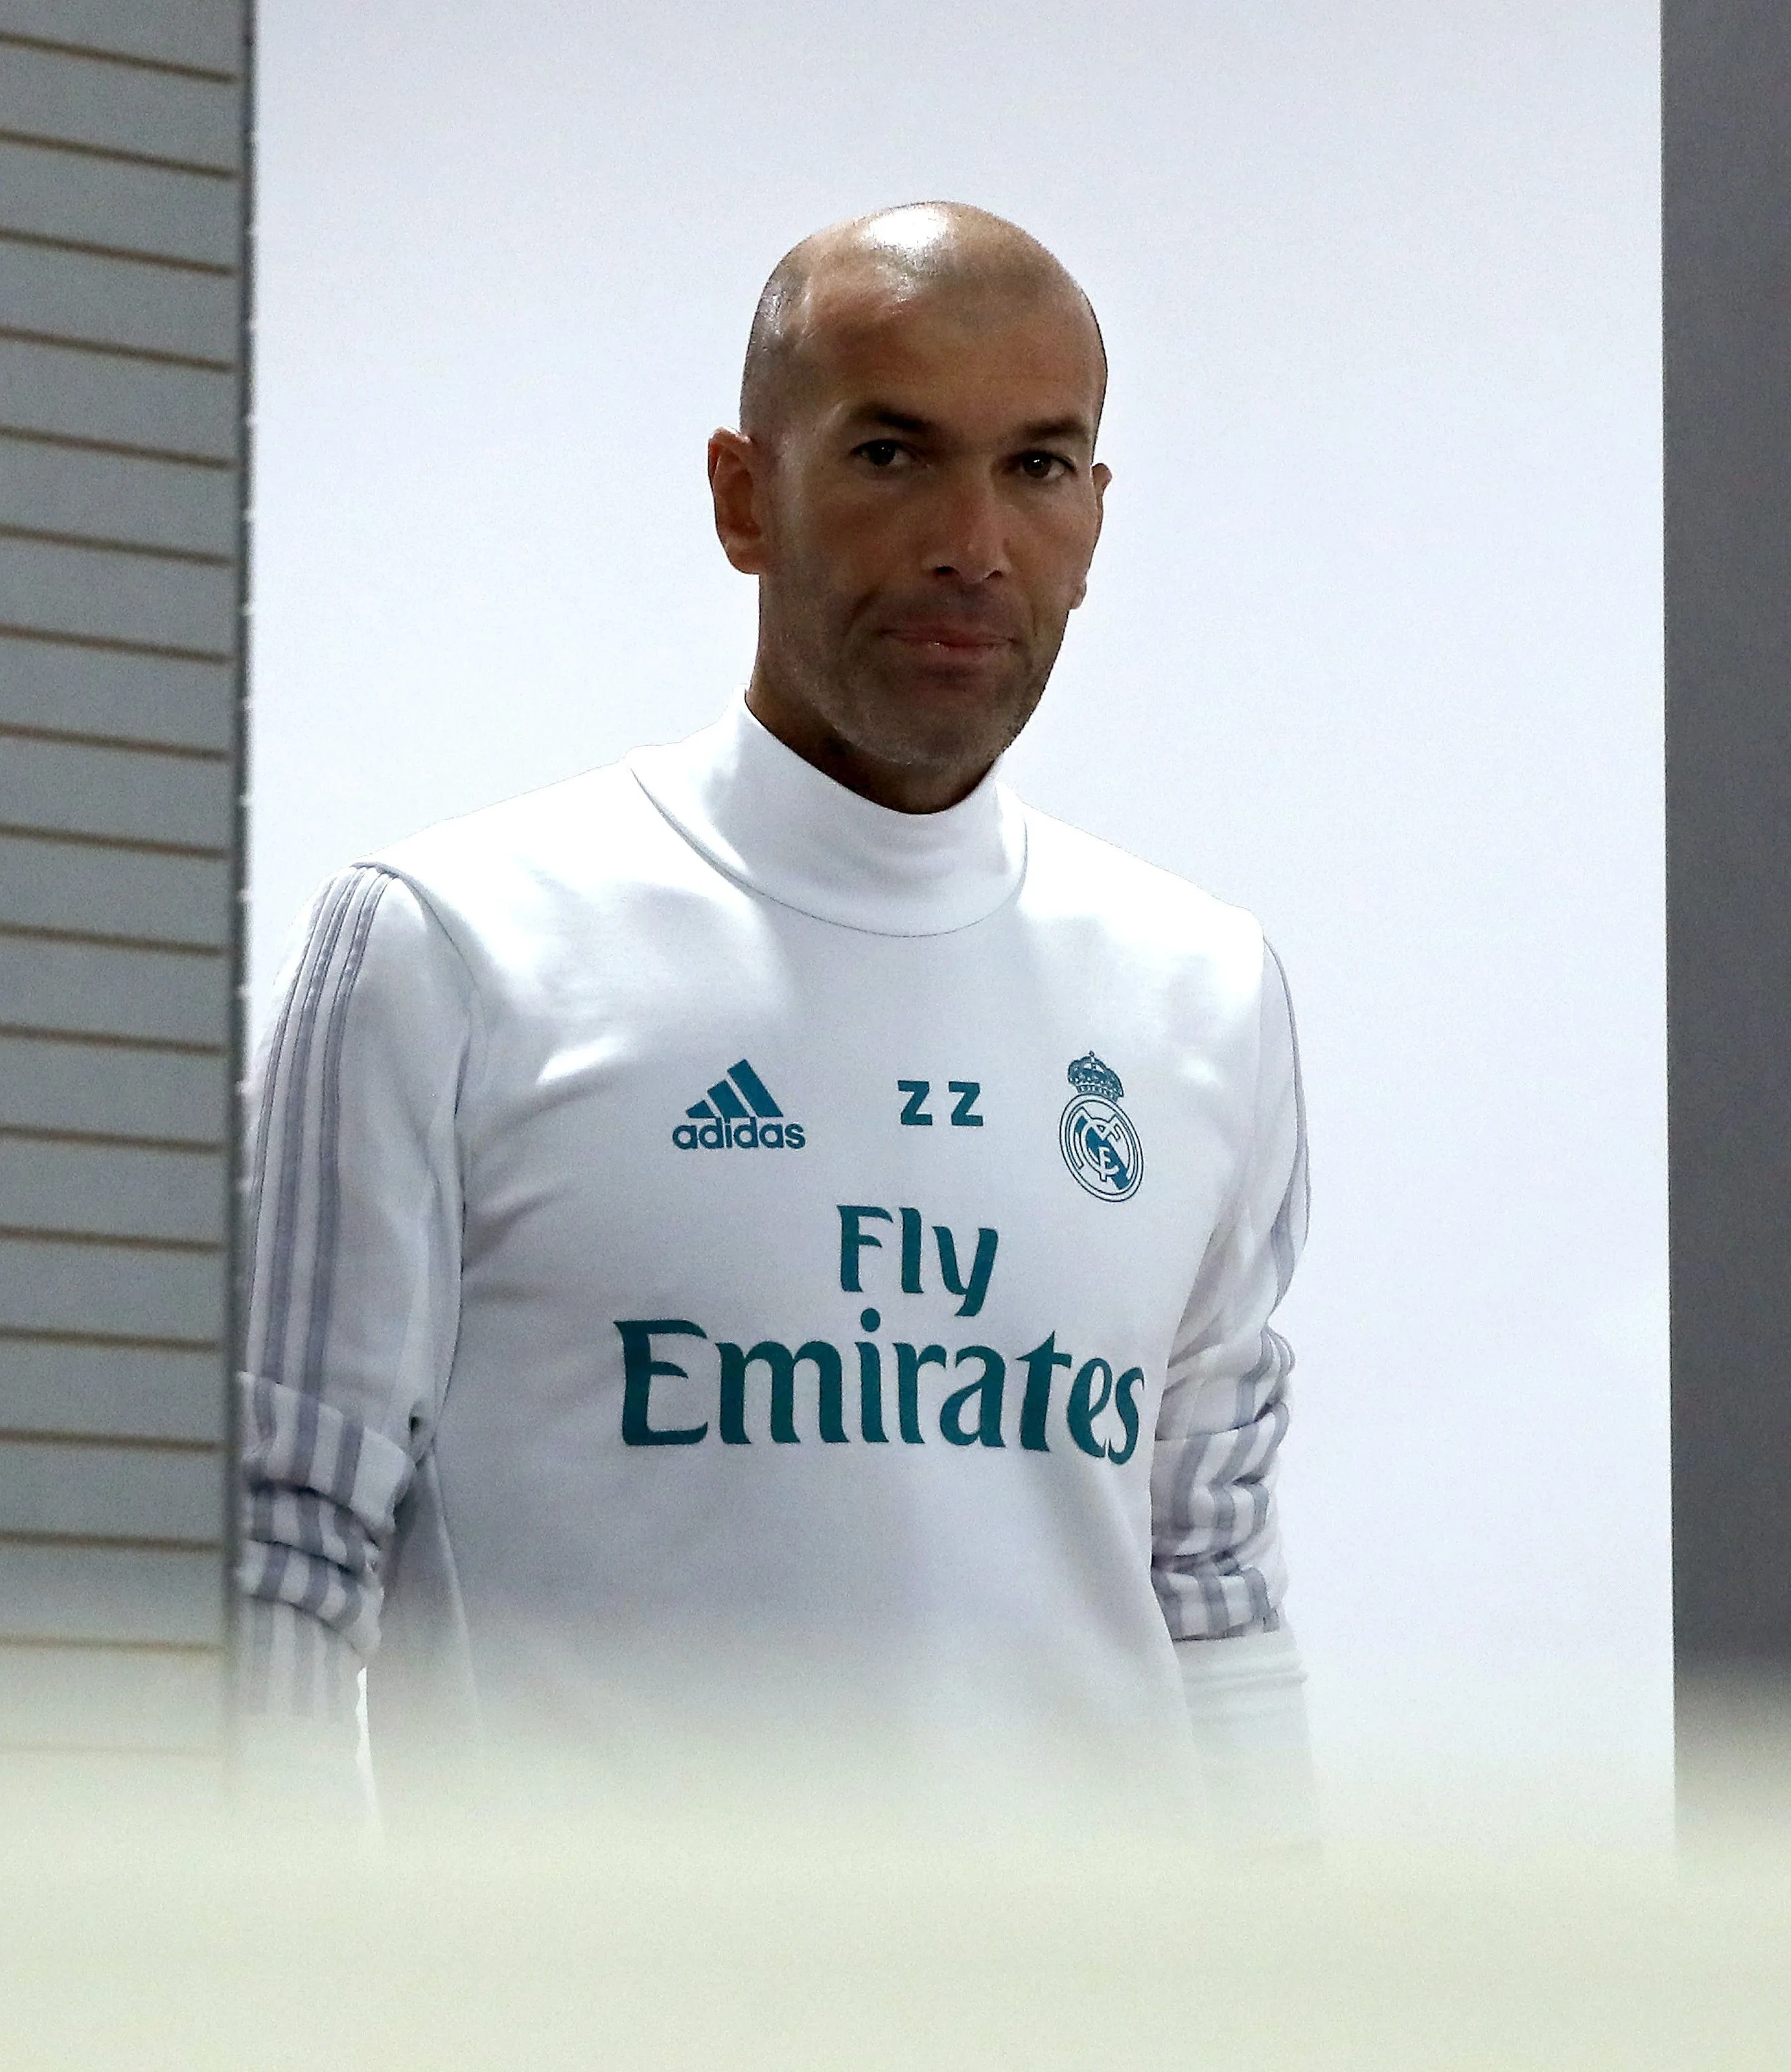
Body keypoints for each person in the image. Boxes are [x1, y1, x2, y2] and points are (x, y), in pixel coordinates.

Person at [236, 202, 1312, 1836]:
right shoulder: (451, 946)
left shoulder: (1204, 992)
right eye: (894, 455)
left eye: (1037, 466)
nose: (973, 541)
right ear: (746, 497)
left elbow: (1212, 1586)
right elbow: (277, 1560)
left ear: (1097, 517)